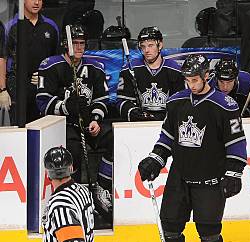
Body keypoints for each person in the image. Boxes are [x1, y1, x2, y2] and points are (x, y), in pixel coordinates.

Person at [138, 54, 247, 242]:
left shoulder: (225, 105)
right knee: (170, 227)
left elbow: (237, 143)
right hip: (179, 177)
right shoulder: (176, 102)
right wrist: (155, 159)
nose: (191, 84)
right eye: (187, 79)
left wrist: (234, 173)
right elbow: (167, 137)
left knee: (208, 230)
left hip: (210, 179)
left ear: (207, 76)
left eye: (195, 79)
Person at [36, 24, 114, 219]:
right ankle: (75, 198)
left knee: (114, 139)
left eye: (82, 44)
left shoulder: (94, 67)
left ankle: (102, 187)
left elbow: (102, 99)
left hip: (88, 124)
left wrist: (96, 119)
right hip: (64, 125)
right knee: (74, 152)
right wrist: (65, 106)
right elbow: (42, 102)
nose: (79, 48)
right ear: (65, 44)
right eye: (75, 43)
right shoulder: (51, 66)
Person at [6, 0, 60, 123]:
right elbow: (5, 59)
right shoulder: (12, 25)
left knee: (44, 129)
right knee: (20, 129)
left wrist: (45, 76)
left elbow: (56, 59)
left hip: (44, 87)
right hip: (18, 88)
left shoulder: (51, 26)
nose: (36, 2)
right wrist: (3, 89)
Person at [116, 26, 185, 122]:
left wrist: (167, 118)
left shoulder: (175, 70)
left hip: (167, 124)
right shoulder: (129, 69)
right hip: (139, 124)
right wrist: (133, 113)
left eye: (150, 45)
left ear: (160, 45)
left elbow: (181, 102)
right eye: (143, 46)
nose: (146, 50)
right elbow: (122, 101)